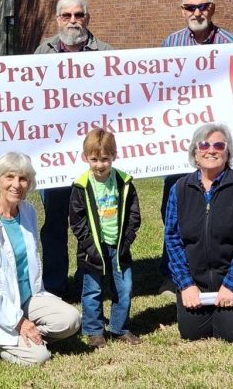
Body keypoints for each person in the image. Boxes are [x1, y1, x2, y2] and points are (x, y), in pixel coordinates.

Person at [0, 153, 81, 365]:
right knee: (40, 357)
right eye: (9, 177)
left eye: (23, 179)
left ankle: (26, 336)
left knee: (72, 321)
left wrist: (24, 320)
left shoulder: (28, 212)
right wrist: (18, 322)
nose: (16, 185)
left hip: (27, 297)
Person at [158, 0, 233, 292]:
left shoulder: (231, 43)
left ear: (212, 8)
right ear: (182, 11)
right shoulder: (171, 43)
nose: (197, 13)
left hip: (215, 144)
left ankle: (217, 269)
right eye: (190, 8)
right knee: (175, 205)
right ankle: (171, 272)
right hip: (178, 142)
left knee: (218, 207)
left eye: (202, 6)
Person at [34, 0, 112, 298]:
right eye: (66, 16)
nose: (73, 21)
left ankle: (88, 282)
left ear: (88, 18)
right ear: (57, 20)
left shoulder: (106, 53)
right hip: (53, 156)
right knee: (54, 222)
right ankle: (54, 284)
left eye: (79, 15)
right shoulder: (42, 53)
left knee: (92, 221)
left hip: (94, 157)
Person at [163, 123, 233, 343]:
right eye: (204, 145)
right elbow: (172, 239)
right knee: (192, 333)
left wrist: (231, 284)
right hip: (196, 282)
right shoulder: (179, 189)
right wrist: (186, 285)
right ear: (195, 154)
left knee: (230, 333)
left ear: (227, 153)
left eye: (219, 145)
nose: (211, 150)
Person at [68, 129, 141, 348]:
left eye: (105, 159)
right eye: (94, 159)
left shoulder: (123, 182)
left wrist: (126, 240)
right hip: (92, 250)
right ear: (85, 158)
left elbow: (133, 214)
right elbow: (77, 220)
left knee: (124, 288)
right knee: (92, 290)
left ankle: (120, 328)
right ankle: (94, 330)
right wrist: (90, 246)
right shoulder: (81, 186)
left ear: (114, 157)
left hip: (119, 247)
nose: (100, 165)